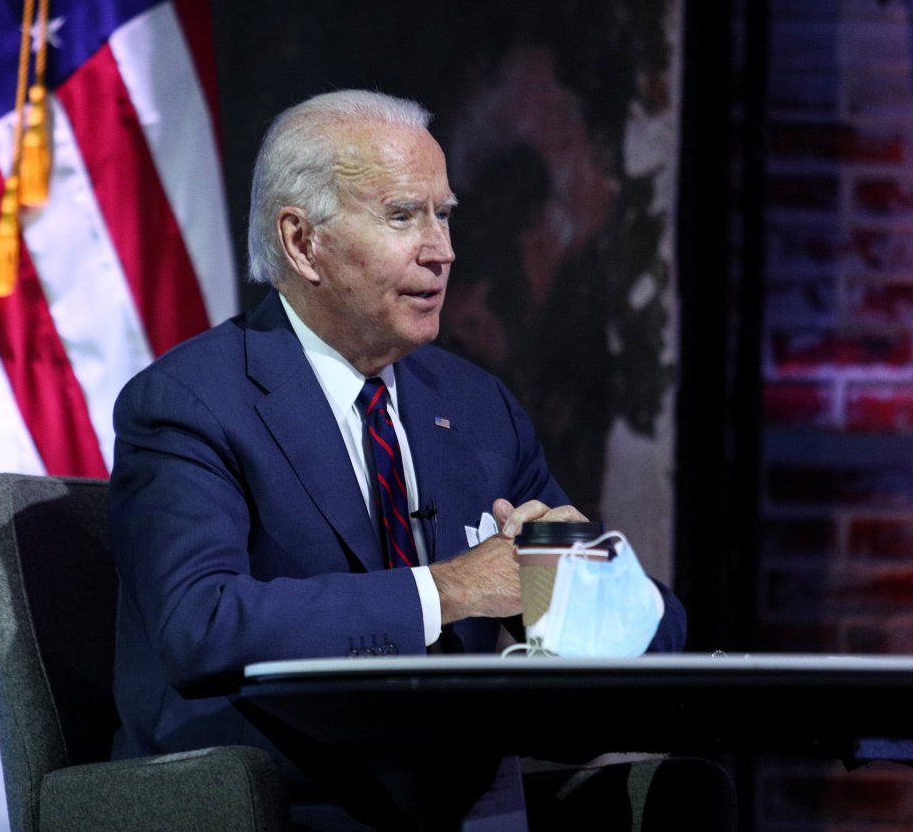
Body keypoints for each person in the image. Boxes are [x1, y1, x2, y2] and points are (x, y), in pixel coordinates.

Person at [108, 89, 693, 829]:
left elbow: (661, 641)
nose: (442, 250)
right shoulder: (193, 401)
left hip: (465, 796)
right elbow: (203, 621)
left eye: (443, 214)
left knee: (681, 793)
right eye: (402, 215)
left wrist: (584, 585)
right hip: (288, 801)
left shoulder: (477, 406)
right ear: (301, 241)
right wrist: (447, 589)